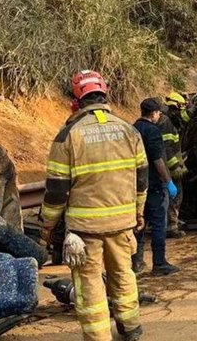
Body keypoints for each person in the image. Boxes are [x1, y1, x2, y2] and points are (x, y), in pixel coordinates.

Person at [39, 70, 147, 341]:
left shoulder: (68, 136)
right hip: (122, 224)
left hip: (84, 231)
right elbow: (141, 178)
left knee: (89, 288)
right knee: (124, 276)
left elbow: (56, 190)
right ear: (104, 95)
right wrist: (138, 211)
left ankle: (99, 336)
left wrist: (47, 226)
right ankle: (131, 328)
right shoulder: (128, 130)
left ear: (76, 101)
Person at [132, 98, 180, 276]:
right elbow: (158, 159)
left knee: (139, 223)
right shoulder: (153, 131)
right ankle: (159, 263)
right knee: (159, 223)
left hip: (136, 185)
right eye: (159, 112)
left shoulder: (132, 129)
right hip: (154, 185)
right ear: (153, 113)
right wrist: (168, 181)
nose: (160, 115)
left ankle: (136, 262)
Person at [158, 110, 187, 238]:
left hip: (164, 166)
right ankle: (171, 226)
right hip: (168, 168)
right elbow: (167, 149)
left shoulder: (165, 122)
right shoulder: (165, 123)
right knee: (175, 196)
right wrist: (175, 166)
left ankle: (170, 223)